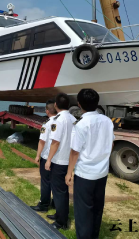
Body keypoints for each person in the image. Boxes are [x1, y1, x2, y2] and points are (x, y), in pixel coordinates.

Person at [65, 89, 114, 239]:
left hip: (85, 174)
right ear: (97, 103)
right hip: (102, 172)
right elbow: (111, 144)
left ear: (79, 104)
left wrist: (69, 172)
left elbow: (75, 152)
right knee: (97, 208)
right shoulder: (107, 121)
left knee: (83, 210)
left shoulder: (81, 124)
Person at [45, 93, 76, 230]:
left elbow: (55, 142)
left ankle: (61, 222)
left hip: (59, 160)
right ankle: (60, 214)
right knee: (62, 191)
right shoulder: (73, 118)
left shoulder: (58, 120)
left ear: (56, 105)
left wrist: (49, 159)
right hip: (68, 159)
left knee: (58, 192)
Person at [30, 99, 57, 212]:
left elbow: (42, 141)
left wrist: (37, 156)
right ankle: (56, 202)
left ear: (47, 111)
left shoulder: (46, 124)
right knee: (57, 182)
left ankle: (44, 204)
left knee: (46, 181)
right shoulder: (62, 121)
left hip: (47, 157)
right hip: (59, 158)